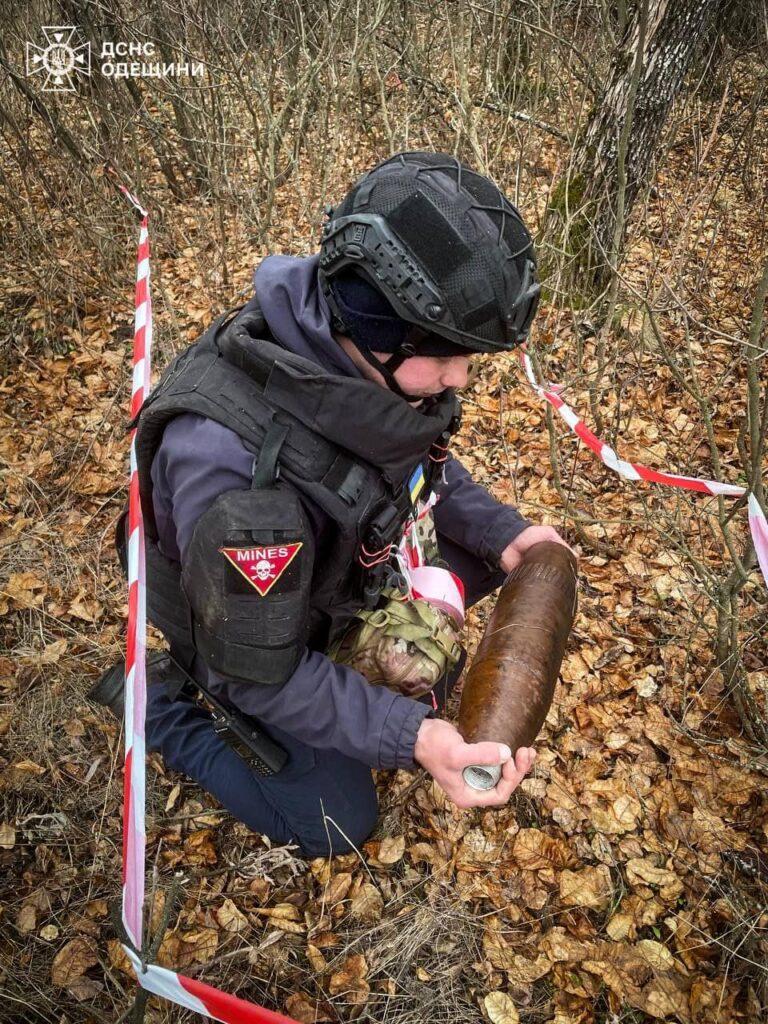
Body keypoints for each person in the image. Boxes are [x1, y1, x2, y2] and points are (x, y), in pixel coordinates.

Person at [95, 151, 573, 858]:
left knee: (494, 556)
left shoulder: (355, 357)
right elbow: (262, 673)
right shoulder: (237, 477)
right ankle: (160, 706)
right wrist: (416, 738)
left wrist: (509, 536)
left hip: (328, 575)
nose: (462, 379)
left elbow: (420, 464)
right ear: (382, 328)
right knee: (337, 819)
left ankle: (374, 654)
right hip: (238, 627)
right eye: (448, 356)